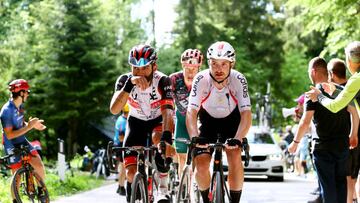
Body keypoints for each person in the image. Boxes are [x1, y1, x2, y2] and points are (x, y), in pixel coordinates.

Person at [186, 41, 252, 203]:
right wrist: (194, 137)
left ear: (232, 64)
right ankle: (206, 199)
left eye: (223, 64)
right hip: (208, 122)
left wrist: (238, 137)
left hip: (232, 121)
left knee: (234, 154)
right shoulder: (201, 78)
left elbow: (246, 114)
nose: (219, 69)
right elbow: (191, 112)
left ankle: (235, 200)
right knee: (200, 163)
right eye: (214, 64)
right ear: (209, 63)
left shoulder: (238, 79)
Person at [109, 44, 175, 203]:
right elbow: (114, 109)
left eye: (144, 68)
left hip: (158, 120)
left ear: (154, 66)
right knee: (131, 172)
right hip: (136, 122)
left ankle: (163, 188)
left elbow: (167, 111)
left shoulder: (163, 80)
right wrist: (129, 86)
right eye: (135, 68)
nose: (139, 73)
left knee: (159, 139)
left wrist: (167, 137)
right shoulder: (125, 80)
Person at [288, 57, 359, 203]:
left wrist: (295, 142)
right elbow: (355, 114)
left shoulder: (313, 94)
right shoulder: (340, 90)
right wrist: (353, 134)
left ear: (313, 72)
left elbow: (305, 122)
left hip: (323, 147)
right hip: (342, 147)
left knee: (327, 187)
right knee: (341, 185)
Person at [0, 79, 47, 203]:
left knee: (38, 164)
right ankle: (15, 200)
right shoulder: (6, 111)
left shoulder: (19, 106)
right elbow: (9, 135)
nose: (28, 94)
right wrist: (29, 126)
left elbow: (21, 124)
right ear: (21, 92)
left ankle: (41, 192)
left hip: (22, 139)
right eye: (27, 91)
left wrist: (33, 125)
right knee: (17, 176)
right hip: (11, 143)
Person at [327, 58, 360, 203]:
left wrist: (353, 134)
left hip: (350, 140)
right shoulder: (351, 85)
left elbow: (350, 111)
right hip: (354, 137)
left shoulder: (353, 83)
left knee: (348, 178)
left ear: (331, 73)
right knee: (354, 177)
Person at [170, 48, 203, 175]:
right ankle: (183, 189)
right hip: (181, 118)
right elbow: (167, 103)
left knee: (199, 155)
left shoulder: (203, 79)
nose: (190, 73)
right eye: (187, 69)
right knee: (182, 157)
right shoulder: (174, 79)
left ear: (199, 68)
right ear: (182, 66)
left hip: (198, 119)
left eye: (194, 69)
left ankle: (197, 184)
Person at [306, 41, 360, 117]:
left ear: (351, 61)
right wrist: (335, 92)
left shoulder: (356, 80)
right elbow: (352, 99)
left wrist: (319, 96)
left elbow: (335, 106)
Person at [113, 103, 129, 196]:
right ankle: (121, 187)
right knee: (123, 166)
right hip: (121, 145)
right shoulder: (123, 122)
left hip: (119, 145)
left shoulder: (120, 118)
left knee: (123, 166)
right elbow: (121, 137)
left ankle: (120, 186)